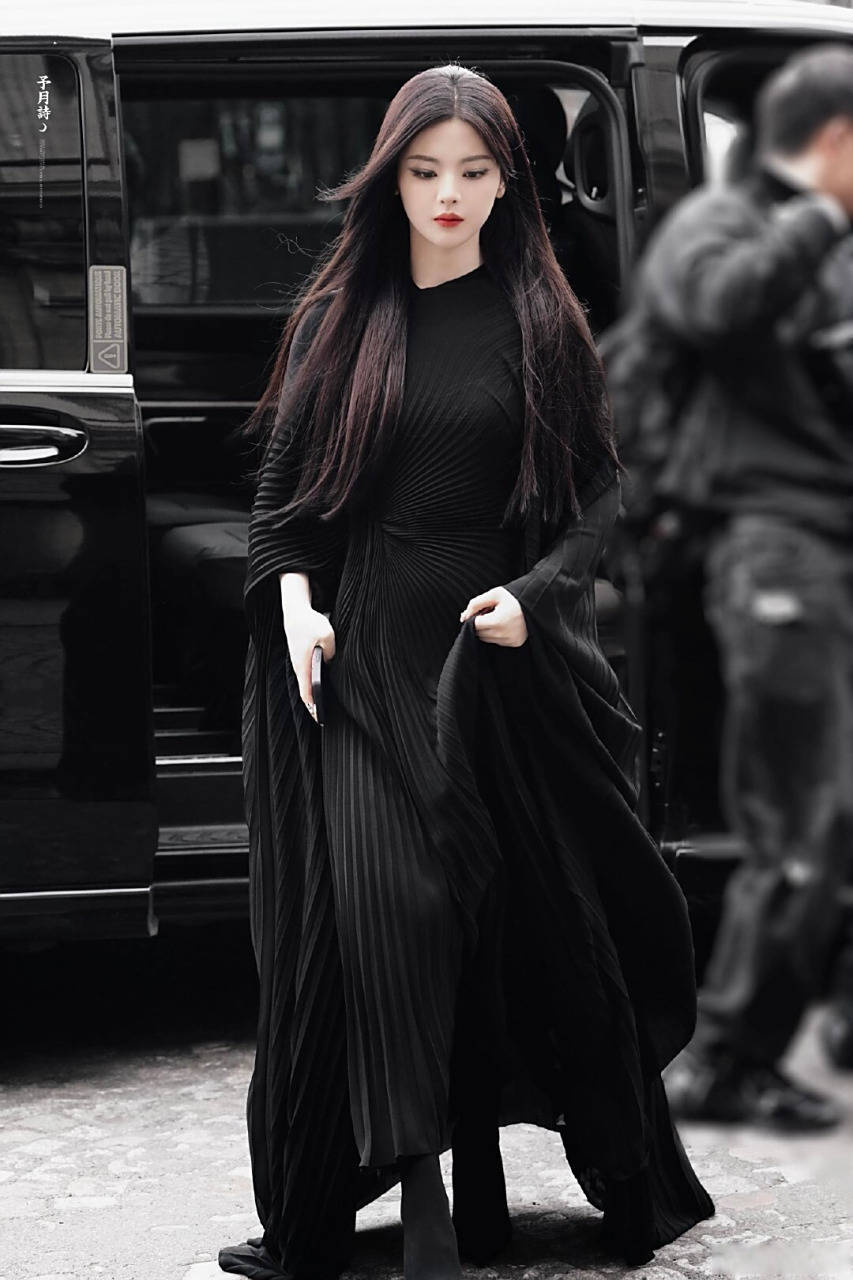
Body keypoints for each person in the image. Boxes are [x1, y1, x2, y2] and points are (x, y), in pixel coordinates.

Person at [218, 63, 713, 1280]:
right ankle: (420, 1190)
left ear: (507, 185)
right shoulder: (341, 319)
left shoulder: (542, 321)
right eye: (425, 170)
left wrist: (535, 597)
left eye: (473, 171)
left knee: (498, 920)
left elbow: (596, 497)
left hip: (488, 658)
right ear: (391, 180)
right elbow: (280, 517)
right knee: (391, 910)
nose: (447, 193)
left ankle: (488, 1179)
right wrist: (298, 611)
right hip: (359, 652)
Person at [606, 44, 853, 1131]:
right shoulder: (720, 225)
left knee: (829, 803)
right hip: (771, 552)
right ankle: (728, 1056)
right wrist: (821, 216)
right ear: (837, 140)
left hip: (821, 547)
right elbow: (717, 304)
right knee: (801, 813)